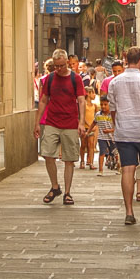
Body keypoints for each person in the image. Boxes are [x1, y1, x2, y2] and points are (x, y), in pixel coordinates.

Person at [108, 47, 140, 224]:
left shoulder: (115, 82)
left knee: (128, 170)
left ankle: (129, 212)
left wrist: (118, 125)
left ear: (125, 60)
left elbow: (113, 109)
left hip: (124, 132)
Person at [35, 49, 86, 205]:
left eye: (61, 66)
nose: (58, 69)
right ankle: (55, 186)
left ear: (67, 63)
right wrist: (37, 122)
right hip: (52, 122)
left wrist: (81, 122)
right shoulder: (50, 79)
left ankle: (68, 192)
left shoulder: (75, 78)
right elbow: (43, 100)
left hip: (70, 123)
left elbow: (81, 100)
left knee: (69, 159)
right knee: (47, 153)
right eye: (56, 66)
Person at [94, 97, 115, 175]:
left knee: (114, 153)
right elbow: (94, 122)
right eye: (101, 104)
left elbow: (117, 127)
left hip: (112, 137)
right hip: (102, 137)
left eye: (105, 104)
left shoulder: (113, 115)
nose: (103, 106)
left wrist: (110, 131)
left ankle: (118, 166)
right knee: (102, 153)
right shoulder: (98, 114)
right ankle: (100, 170)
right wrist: (88, 132)